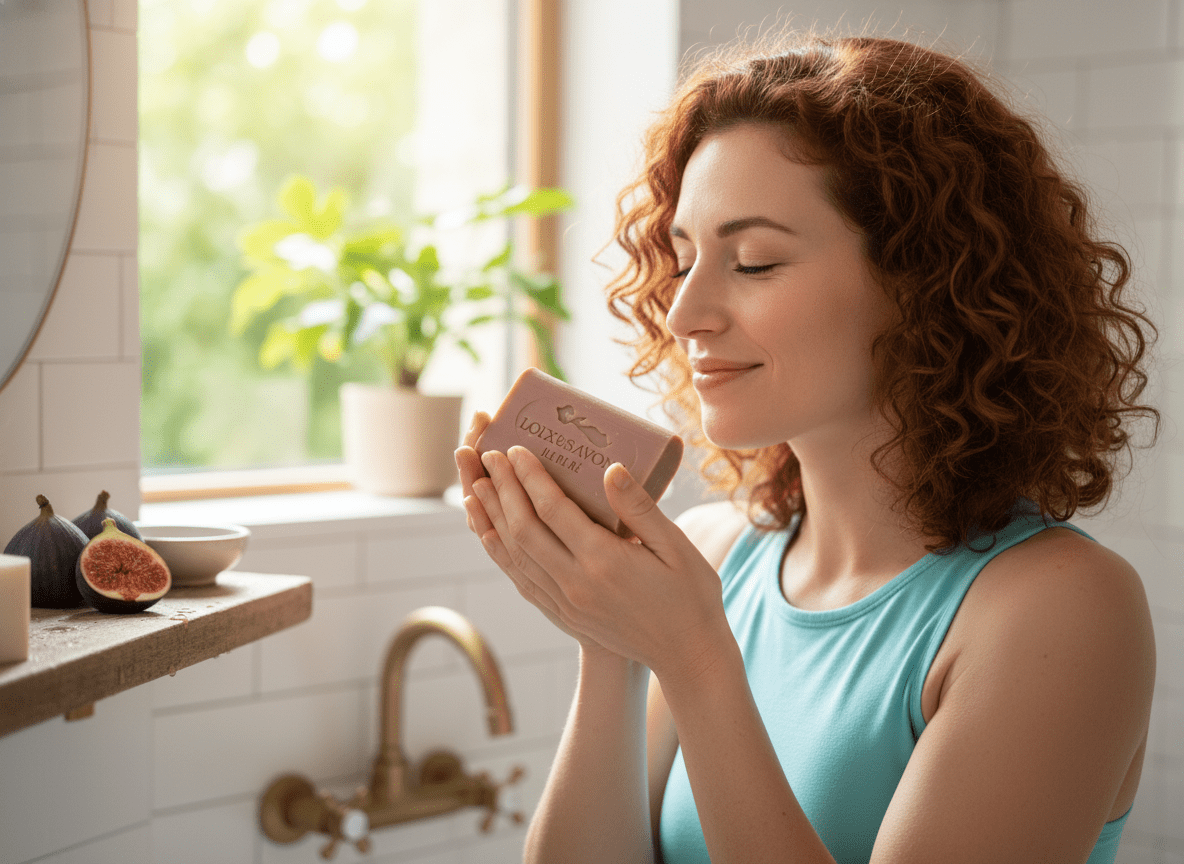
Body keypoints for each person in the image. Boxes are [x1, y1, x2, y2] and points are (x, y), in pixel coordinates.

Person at [454, 32, 1159, 864]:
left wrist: (694, 658)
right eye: (682, 260)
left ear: (923, 282)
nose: (684, 314)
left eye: (752, 262)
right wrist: (612, 649)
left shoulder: (1061, 610)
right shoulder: (715, 555)